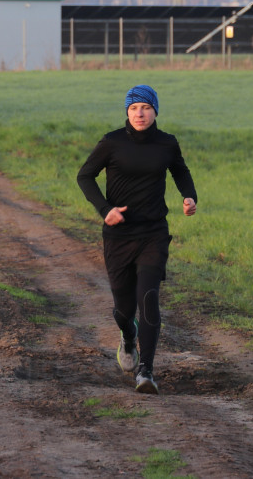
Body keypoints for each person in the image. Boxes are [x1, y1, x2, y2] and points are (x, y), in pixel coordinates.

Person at [76, 85, 198, 395]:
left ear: (155, 110)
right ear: (127, 112)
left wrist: (189, 197)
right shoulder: (112, 142)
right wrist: (105, 210)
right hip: (118, 235)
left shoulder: (167, 144)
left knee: (149, 298)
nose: (139, 113)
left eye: (145, 107)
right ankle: (128, 337)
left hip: (153, 233)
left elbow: (180, 171)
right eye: (133, 109)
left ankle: (146, 371)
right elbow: (84, 176)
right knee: (123, 309)